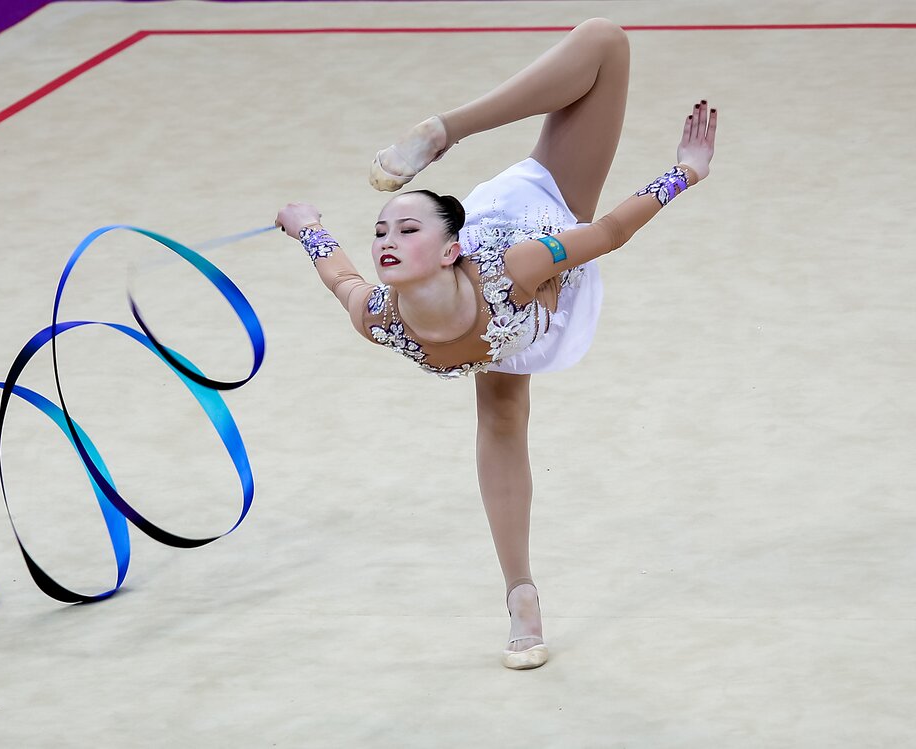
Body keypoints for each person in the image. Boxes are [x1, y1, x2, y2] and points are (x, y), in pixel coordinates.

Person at [275, 18, 716, 669]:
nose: (387, 240)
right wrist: (306, 225)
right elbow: (339, 273)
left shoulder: (517, 264)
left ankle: (446, 129)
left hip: (536, 236)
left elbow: (614, 230)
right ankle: (522, 597)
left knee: (605, 42)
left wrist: (686, 170)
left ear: (451, 248)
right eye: (381, 231)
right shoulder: (380, 314)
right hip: (487, 324)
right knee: (502, 416)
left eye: (407, 228)